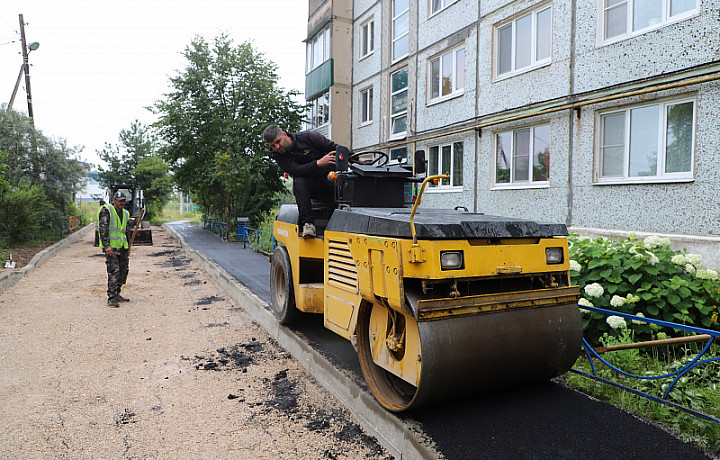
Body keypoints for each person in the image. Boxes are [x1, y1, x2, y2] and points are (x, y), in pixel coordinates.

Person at [263, 125, 342, 238]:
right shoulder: (278, 156)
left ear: (284, 134)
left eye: (278, 142)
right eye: (273, 146)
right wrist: (318, 163)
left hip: (331, 182)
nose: (277, 147)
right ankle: (308, 224)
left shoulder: (309, 137)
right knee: (299, 180)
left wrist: (357, 159)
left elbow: (335, 148)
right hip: (311, 188)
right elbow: (296, 170)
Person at [98, 191, 131, 307]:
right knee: (114, 271)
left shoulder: (126, 213)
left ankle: (117, 293)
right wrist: (107, 245)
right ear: (114, 200)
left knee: (123, 271)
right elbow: (103, 228)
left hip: (122, 247)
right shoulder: (106, 210)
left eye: (123, 200)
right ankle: (111, 298)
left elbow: (126, 231)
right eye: (120, 200)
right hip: (111, 248)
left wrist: (128, 247)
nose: (122, 203)